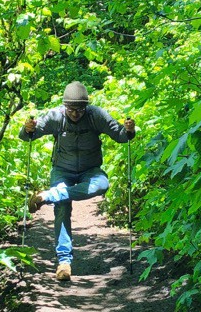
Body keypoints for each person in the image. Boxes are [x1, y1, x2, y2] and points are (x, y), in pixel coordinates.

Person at [19, 81, 135, 281]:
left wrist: (129, 130)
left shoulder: (96, 115)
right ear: (65, 106)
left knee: (102, 184)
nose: (75, 113)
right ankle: (64, 262)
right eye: (71, 109)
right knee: (62, 207)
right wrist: (27, 128)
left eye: (80, 109)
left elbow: (122, 136)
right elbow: (29, 136)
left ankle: (49, 196)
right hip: (62, 170)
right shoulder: (55, 117)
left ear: (86, 106)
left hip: (90, 171)